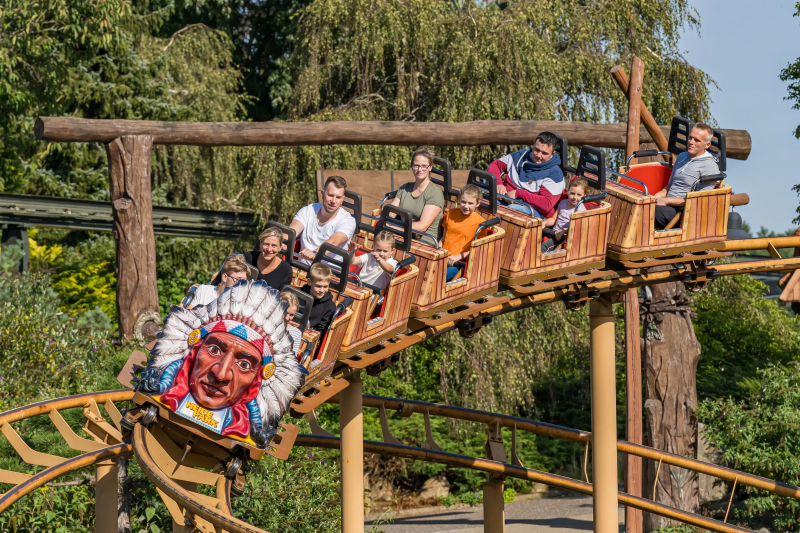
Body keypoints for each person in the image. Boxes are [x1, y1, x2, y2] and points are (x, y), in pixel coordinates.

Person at [140, 280, 304, 447]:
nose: (221, 374)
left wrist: (257, 426)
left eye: (244, 364)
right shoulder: (174, 376)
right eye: (214, 350)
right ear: (194, 350)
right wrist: (160, 384)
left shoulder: (247, 412)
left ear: (257, 381)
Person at [653, 123, 721, 229]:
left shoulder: (709, 167)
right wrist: (655, 197)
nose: (691, 142)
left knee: (646, 212)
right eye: (690, 138)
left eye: (697, 140)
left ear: (707, 145)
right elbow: (670, 186)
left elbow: (697, 201)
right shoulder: (681, 157)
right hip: (667, 206)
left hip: (681, 213)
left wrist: (667, 200)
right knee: (638, 204)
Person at [486, 132, 565, 219]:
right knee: (481, 200)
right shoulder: (519, 156)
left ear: (552, 154)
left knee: (512, 211)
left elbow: (546, 204)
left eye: (544, 153)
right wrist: (497, 183)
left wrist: (519, 194)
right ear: (533, 145)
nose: (539, 155)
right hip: (504, 200)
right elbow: (495, 165)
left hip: (535, 211)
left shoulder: (555, 174)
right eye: (537, 150)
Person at [291, 175, 357, 264]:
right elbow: (292, 230)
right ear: (322, 194)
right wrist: (282, 241)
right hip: (301, 268)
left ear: (342, 199)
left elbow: (333, 242)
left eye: (338, 197)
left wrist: (315, 253)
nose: (333, 201)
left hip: (329, 273)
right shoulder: (308, 210)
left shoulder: (348, 221)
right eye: (330, 195)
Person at [389, 147, 445, 246]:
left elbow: (423, 226)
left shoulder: (435, 193)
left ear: (430, 167)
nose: (420, 169)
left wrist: (396, 229)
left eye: (424, 166)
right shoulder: (404, 188)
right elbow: (390, 213)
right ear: (412, 166)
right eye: (416, 166)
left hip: (425, 242)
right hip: (404, 236)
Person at [440, 184, 487, 281]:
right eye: (463, 202)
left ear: (477, 204)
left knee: (439, 276)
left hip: (458, 262)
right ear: (459, 200)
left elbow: (477, 250)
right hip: (443, 257)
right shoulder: (451, 213)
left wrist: (458, 256)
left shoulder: (480, 224)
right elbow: (443, 238)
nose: (466, 206)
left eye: (470, 203)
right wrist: (438, 251)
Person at [182, 254, 251, 308]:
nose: (242, 285)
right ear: (225, 277)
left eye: (244, 282)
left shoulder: (244, 303)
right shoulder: (204, 292)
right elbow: (189, 316)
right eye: (238, 280)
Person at [541, 178, 589, 253]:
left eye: (579, 195)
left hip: (564, 238)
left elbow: (576, 228)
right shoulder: (563, 203)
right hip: (554, 233)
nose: (575, 197)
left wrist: (563, 230)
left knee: (543, 248)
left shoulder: (581, 211)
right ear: (567, 191)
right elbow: (554, 219)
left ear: (584, 196)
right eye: (572, 193)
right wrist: (544, 223)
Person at [301, 263, 336, 333]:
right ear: (309, 282)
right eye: (318, 286)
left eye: (325, 286)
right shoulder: (297, 294)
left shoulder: (329, 306)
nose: (322, 290)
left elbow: (321, 331)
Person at [280, 290, 303, 360]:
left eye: (291, 315)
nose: (287, 318)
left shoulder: (296, 334)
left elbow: (291, 358)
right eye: (285, 312)